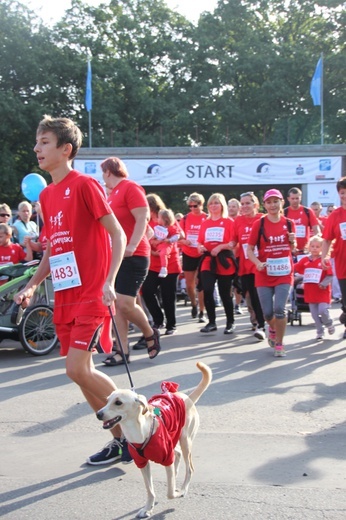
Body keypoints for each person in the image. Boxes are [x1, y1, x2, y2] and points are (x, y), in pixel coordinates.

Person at [13, 115, 129, 467]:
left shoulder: (85, 185)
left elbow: (118, 235)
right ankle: (122, 441)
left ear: (66, 149)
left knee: (76, 368)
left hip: (92, 292)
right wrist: (32, 285)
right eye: (37, 141)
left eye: (44, 142)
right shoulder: (46, 196)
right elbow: (53, 248)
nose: (36, 148)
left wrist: (109, 281)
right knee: (80, 374)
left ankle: (142, 422)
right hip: (65, 294)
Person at [99, 156, 161, 367]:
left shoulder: (130, 187)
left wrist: (133, 245)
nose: (103, 177)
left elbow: (143, 217)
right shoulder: (112, 195)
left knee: (125, 303)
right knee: (117, 304)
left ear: (108, 171)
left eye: (103, 173)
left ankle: (149, 332)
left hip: (134, 255)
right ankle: (121, 350)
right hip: (117, 255)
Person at [247, 189, 296, 357]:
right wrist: (258, 263)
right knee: (268, 313)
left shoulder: (289, 223)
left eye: (276, 201)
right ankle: (273, 329)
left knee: (280, 310)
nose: (273, 205)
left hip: (284, 272)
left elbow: (293, 249)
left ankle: (280, 344)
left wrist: (293, 242)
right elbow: (249, 249)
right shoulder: (259, 224)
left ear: (282, 202)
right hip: (265, 273)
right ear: (264, 204)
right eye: (269, 202)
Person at [141, 193, 182, 335]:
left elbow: (179, 234)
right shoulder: (145, 220)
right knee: (147, 290)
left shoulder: (165, 217)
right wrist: (152, 253)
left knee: (168, 295)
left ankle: (171, 324)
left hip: (169, 262)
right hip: (153, 263)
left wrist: (167, 243)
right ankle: (158, 319)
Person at [197, 193, 236, 334]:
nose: (213, 205)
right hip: (208, 260)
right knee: (207, 289)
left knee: (225, 293)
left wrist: (220, 247)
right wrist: (200, 247)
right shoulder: (205, 223)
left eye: (216, 203)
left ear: (222, 205)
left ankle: (230, 322)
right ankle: (211, 322)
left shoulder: (229, 222)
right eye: (211, 203)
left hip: (224, 259)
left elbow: (232, 243)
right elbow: (200, 241)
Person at [230, 191, 266, 341]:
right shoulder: (238, 221)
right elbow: (234, 242)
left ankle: (262, 325)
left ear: (255, 205)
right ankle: (258, 321)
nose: (244, 206)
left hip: (261, 264)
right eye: (242, 204)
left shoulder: (262, 219)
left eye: (248, 203)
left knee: (259, 296)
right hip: (245, 264)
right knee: (249, 295)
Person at [294, 235, 334, 340]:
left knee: (322, 311)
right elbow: (296, 268)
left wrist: (324, 283)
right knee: (314, 314)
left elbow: (330, 275)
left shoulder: (324, 261)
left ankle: (329, 324)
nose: (315, 248)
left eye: (317, 246)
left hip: (322, 291)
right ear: (309, 247)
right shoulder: (305, 260)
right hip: (310, 291)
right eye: (312, 246)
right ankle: (320, 331)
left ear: (322, 248)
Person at [322, 177, 346, 340]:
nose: (344, 195)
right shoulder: (335, 215)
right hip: (342, 261)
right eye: (342, 192)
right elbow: (327, 239)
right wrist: (324, 256)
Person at [178, 192, 207, 322]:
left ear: (201, 204)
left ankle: (202, 311)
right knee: (189, 285)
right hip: (188, 253)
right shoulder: (185, 218)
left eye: (195, 206)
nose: (192, 208)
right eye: (190, 206)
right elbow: (177, 237)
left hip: (202, 253)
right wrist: (184, 241)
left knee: (201, 283)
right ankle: (194, 304)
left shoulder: (207, 217)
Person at [284, 187, 320, 256]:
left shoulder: (308, 211)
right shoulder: (284, 212)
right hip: (289, 252)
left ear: (300, 198)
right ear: (288, 199)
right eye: (293, 198)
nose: (295, 201)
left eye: (297, 198)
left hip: (305, 251)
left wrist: (312, 245)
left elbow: (317, 231)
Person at [154, 208, 183, 278]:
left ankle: (164, 268)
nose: (157, 219)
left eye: (159, 218)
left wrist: (170, 240)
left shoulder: (171, 227)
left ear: (165, 219)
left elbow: (177, 235)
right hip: (159, 244)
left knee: (163, 253)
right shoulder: (158, 227)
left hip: (167, 245)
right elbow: (154, 234)